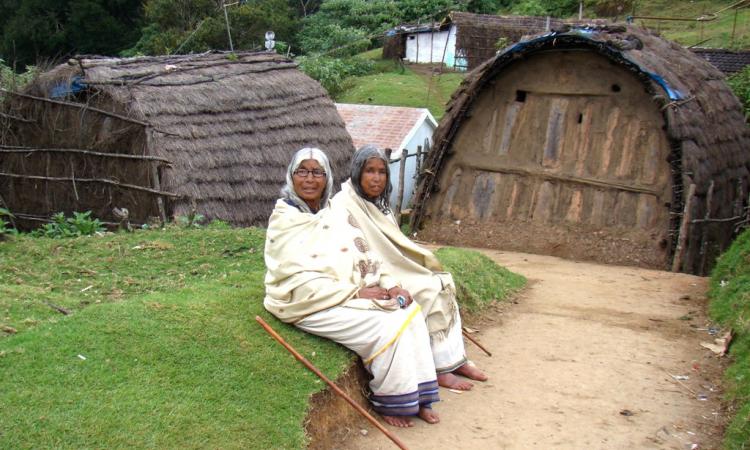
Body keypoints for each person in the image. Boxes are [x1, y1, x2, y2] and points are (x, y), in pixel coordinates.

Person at [263, 147, 440, 428]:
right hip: (308, 303)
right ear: (291, 176)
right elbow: (294, 278)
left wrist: (391, 286)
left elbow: (367, 254)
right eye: (303, 171)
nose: (310, 179)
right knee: (387, 327)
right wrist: (354, 293)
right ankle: (394, 401)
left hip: (347, 294)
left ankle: (418, 397)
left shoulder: (336, 212)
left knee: (410, 311)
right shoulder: (285, 219)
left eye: (318, 172)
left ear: (327, 177)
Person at [330, 144, 488, 391]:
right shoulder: (343, 204)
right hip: (369, 272)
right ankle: (440, 369)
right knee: (427, 288)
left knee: (441, 281)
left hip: (394, 266)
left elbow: (395, 245)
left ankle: (456, 360)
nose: (376, 177)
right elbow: (356, 249)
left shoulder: (379, 204)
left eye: (381, 172)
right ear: (357, 172)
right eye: (369, 171)